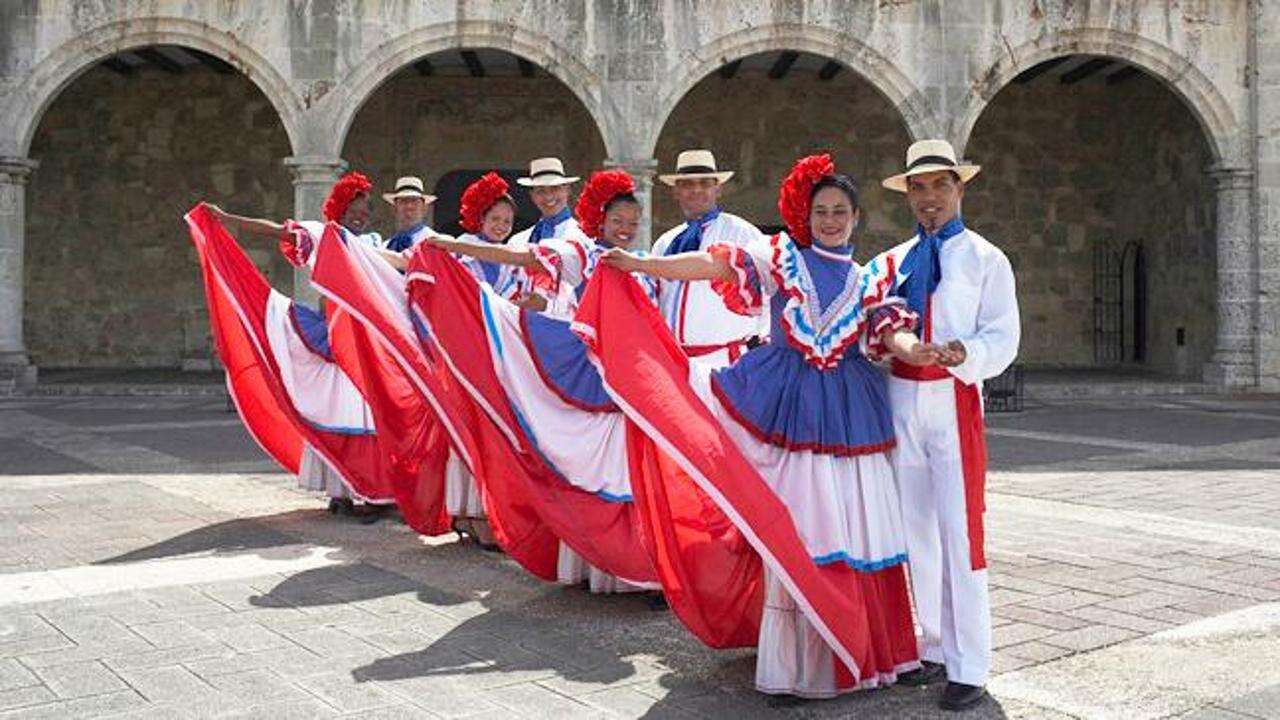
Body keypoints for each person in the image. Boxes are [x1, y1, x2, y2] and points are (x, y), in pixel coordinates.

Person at [597, 154, 927, 698]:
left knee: (852, 523)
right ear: (807, 214)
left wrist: (924, 349)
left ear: (856, 217)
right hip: (784, 404)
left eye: (839, 211)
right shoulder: (782, 258)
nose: (829, 220)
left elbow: (891, 336)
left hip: (849, 416)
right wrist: (638, 268)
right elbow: (712, 266)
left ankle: (856, 648)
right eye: (821, 210)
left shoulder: (867, 280)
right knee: (795, 526)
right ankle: (797, 662)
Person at [409, 170, 659, 594]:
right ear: (600, 220)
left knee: (628, 472)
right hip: (593, 374)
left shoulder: (642, 264)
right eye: (618, 221)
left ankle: (633, 568)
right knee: (593, 469)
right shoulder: (584, 253)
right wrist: (451, 244)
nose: (626, 230)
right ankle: (595, 565)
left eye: (633, 223)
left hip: (631, 376)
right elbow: (527, 260)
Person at [879, 139, 1020, 711]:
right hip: (898, 402)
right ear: (908, 195)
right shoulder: (889, 262)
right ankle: (931, 646)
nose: (929, 197)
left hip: (952, 401)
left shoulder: (987, 260)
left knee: (960, 535)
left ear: (960, 189)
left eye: (940, 185)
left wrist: (966, 354)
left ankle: (969, 664)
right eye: (919, 186)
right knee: (913, 532)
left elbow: (1003, 335)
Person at [206, 172, 391, 521]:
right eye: (354, 208)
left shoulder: (374, 243)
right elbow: (280, 230)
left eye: (365, 210)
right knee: (338, 409)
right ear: (340, 207)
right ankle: (343, 492)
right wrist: (230, 221)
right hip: (334, 333)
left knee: (362, 414)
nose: (360, 215)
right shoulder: (325, 235)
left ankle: (364, 491)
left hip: (365, 337)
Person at [652, 150, 765, 366]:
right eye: (687, 184)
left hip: (725, 364)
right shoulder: (665, 243)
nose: (696, 190)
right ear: (676, 191)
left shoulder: (742, 234)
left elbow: (768, 290)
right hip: (674, 364)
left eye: (705, 183)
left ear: (718, 189)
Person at [507, 157, 582, 313]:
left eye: (555, 189)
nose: (548, 197)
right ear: (533, 196)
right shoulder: (518, 240)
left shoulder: (583, 236)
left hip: (567, 325)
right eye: (541, 191)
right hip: (524, 324)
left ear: (567, 190)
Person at [382, 175, 437, 252]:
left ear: (424, 208)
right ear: (394, 209)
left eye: (414, 201)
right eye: (403, 201)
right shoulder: (384, 247)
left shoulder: (434, 242)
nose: (409, 206)